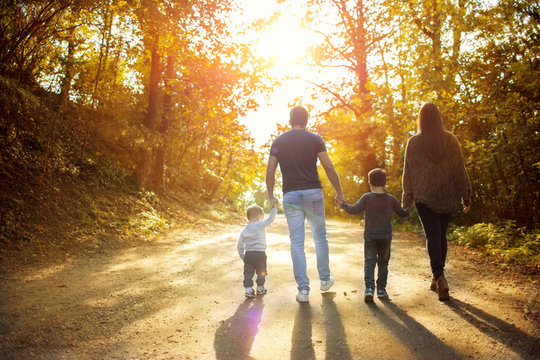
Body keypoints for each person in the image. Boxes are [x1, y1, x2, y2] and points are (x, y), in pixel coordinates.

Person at [266, 105, 345, 303]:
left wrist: (270, 196)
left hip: (291, 195)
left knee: (297, 243)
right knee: (320, 237)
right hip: (313, 193)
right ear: (306, 120)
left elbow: (270, 170)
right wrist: (339, 192)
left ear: (290, 120)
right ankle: (325, 280)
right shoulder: (315, 139)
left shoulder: (279, 141)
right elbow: (328, 166)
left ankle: (303, 290)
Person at [402, 102, 472, 301]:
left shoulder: (414, 143)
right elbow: (460, 170)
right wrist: (465, 195)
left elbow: (408, 174)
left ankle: (439, 276)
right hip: (448, 195)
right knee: (441, 236)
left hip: (424, 197)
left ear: (421, 119)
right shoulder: (451, 140)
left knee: (432, 235)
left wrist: (406, 201)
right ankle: (438, 276)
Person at [338, 168, 409, 302]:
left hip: (370, 236)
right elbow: (402, 213)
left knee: (369, 263)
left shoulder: (367, 198)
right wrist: (409, 206)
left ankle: (369, 289)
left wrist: (342, 204)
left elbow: (354, 210)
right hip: (386, 237)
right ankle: (381, 290)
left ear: (370, 183)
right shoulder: (391, 199)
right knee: (383, 263)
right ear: (385, 183)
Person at [237, 201, 278, 298]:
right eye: (262, 218)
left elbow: (239, 245)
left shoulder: (244, 230)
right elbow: (271, 219)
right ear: (259, 216)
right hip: (260, 254)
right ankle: (260, 288)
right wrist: (274, 208)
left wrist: (243, 256)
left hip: (249, 254)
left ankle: (248, 289)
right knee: (261, 271)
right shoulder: (260, 224)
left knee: (248, 273)